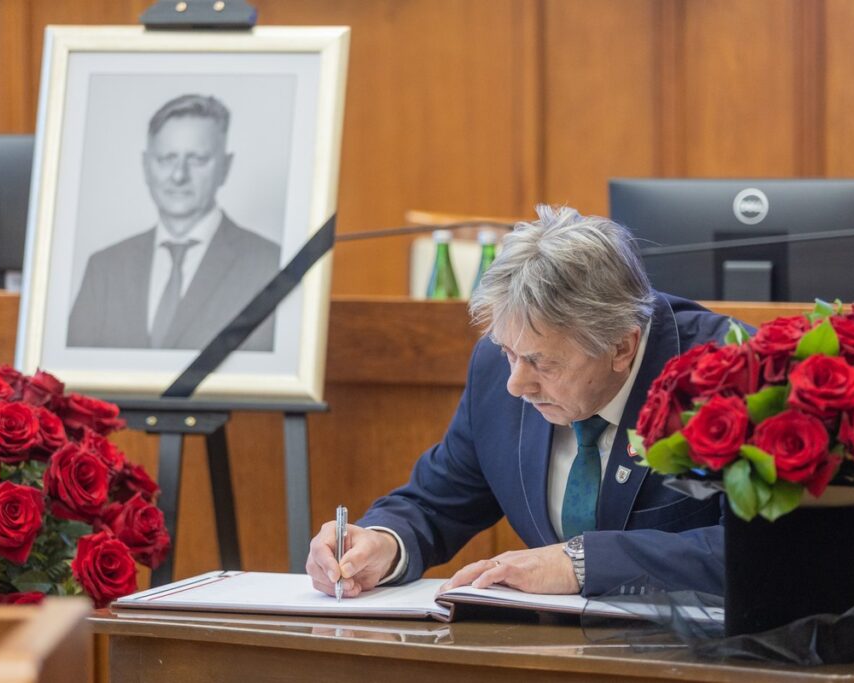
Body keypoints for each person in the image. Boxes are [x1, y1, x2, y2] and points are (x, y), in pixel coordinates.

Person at [307, 205, 735, 599]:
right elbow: (437, 501)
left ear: (622, 347)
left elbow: (765, 548)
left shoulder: (730, 372)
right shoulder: (497, 370)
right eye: (509, 352)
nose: (516, 384)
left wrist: (582, 564)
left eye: (540, 362)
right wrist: (383, 542)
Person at [67, 94, 281, 351]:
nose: (179, 175)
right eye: (167, 158)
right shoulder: (105, 268)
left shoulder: (269, 265)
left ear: (225, 166)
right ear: (146, 166)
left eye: (197, 159)